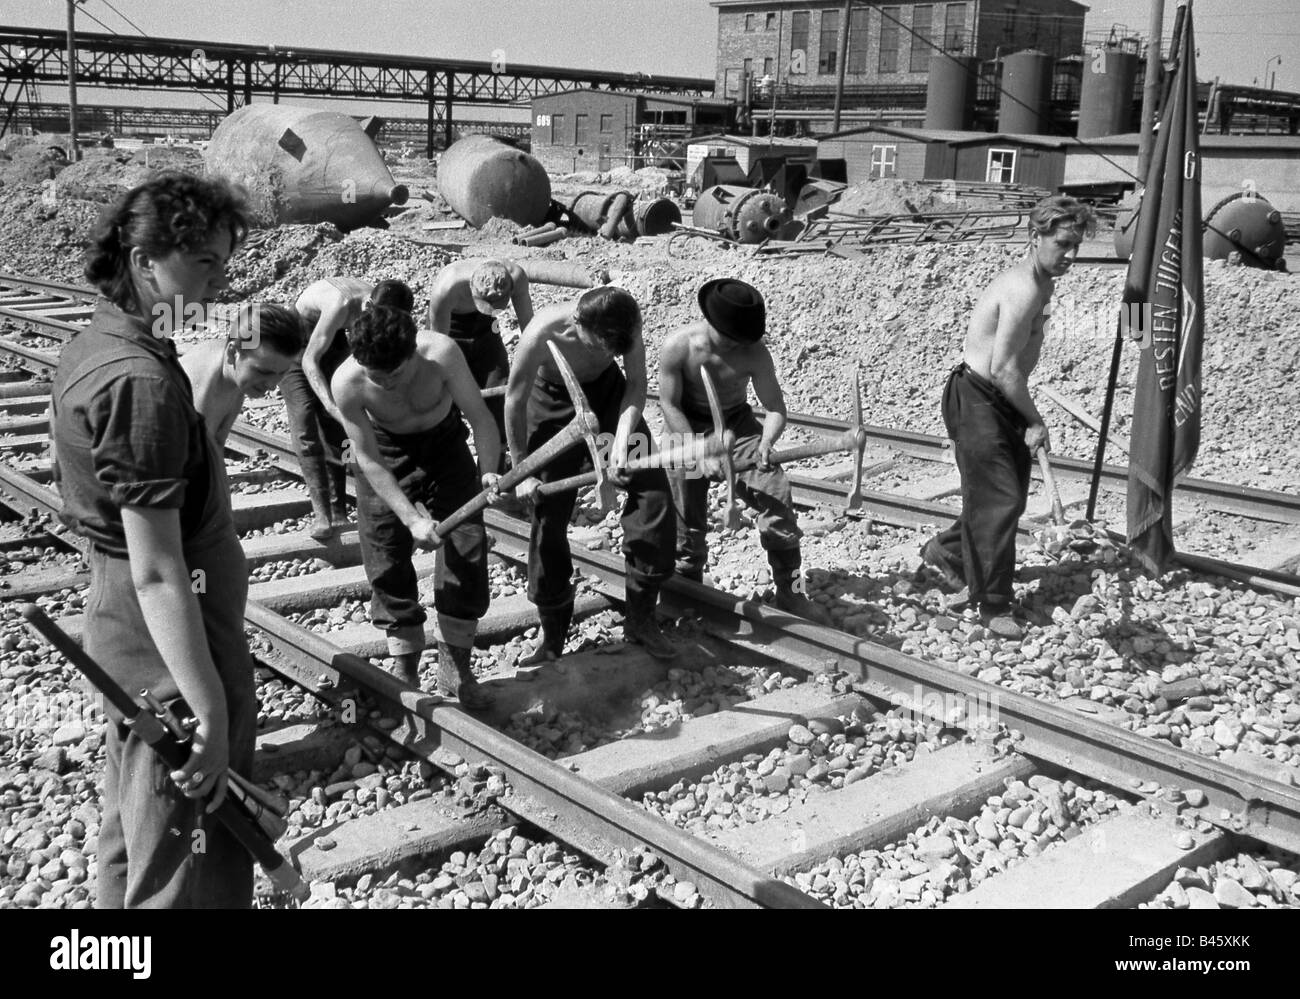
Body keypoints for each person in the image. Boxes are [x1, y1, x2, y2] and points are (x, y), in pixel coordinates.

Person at [50, 172, 254, 908]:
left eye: (223, 265)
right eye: (203, 262)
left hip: (140, 632)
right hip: (169, 641)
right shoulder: (138, 381)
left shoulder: (106, 342)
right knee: (186, 854)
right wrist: (209, 708)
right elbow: (161, 571)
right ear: (144, 261)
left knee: (137, 829)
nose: (219, 281)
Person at [920, 196, 1096, 641]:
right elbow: (1002, 368)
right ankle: (991, 604)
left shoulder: (1043, 283)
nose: (1070, 255)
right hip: (979, 396)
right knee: (999, 500)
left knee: (1005, 495)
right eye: (1062, 244)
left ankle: (948, 553)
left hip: (995, 397)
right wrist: (1035, 420)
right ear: (1035, 237)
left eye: (1076, 245)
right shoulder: (1024, 289)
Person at [332, 301, 501, 708]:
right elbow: (367, 457)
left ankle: (455, 665)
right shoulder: (347, 382)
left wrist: (489, 472)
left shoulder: (441, 353)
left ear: (412, 352)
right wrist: (409, 519)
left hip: (445, 445)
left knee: (466, 546)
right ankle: (404, 665)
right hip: (386, 453)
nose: (387, 384)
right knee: (385, 554)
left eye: (396, 373)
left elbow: (479, 417)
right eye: (378, 376)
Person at [506, 286, 677, 664]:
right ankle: (552, 637)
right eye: (597, 345)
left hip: (608, 395)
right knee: (547, 514)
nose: (604, 353)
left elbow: (634, 384)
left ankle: (642, 617)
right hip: (550, 405)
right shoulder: (543, 331)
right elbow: (514, 401)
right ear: (578, 323)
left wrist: (621, 440)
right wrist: (521, 470)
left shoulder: (625, 326)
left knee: (653, 494)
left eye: (610, 350)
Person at [658, 278, 833, 627]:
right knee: (684, 518)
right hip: (686, 430)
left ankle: (792, 591)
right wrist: (698, 452)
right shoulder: (678, 347)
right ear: (712, 323)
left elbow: (775, 408)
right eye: (732, 339)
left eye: (744, 340)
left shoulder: (754, 351)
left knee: (777, 495)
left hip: (737, 427)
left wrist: (767, 442)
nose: (739, 346)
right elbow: (668, 405)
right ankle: (686, 587)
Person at [283, 277, 415, 540]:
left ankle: (338, 509)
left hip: (334, 338)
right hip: (298, 339)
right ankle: (322, 514)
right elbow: (310, 360)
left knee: (339, 430)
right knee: (305, 419)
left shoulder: (382, 308)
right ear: (368, 308)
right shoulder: (341, 305)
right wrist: (330, 404)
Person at [428, 258, 534, 465]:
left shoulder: (517, 276)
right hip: (451, 328)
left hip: (487, 327)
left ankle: (497, 459)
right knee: (446, 393)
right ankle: (452, 457)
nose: (497, 307)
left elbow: (529, 327)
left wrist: (533, 364)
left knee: (498, 384)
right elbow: (437, 346)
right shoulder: (447, 287)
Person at [180, 302, 303, 446]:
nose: (271, 385)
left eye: (282, 373)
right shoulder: (199, 393)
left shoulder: (233, 371)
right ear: (233, 353)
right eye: (263, 372)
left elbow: (217, 444)